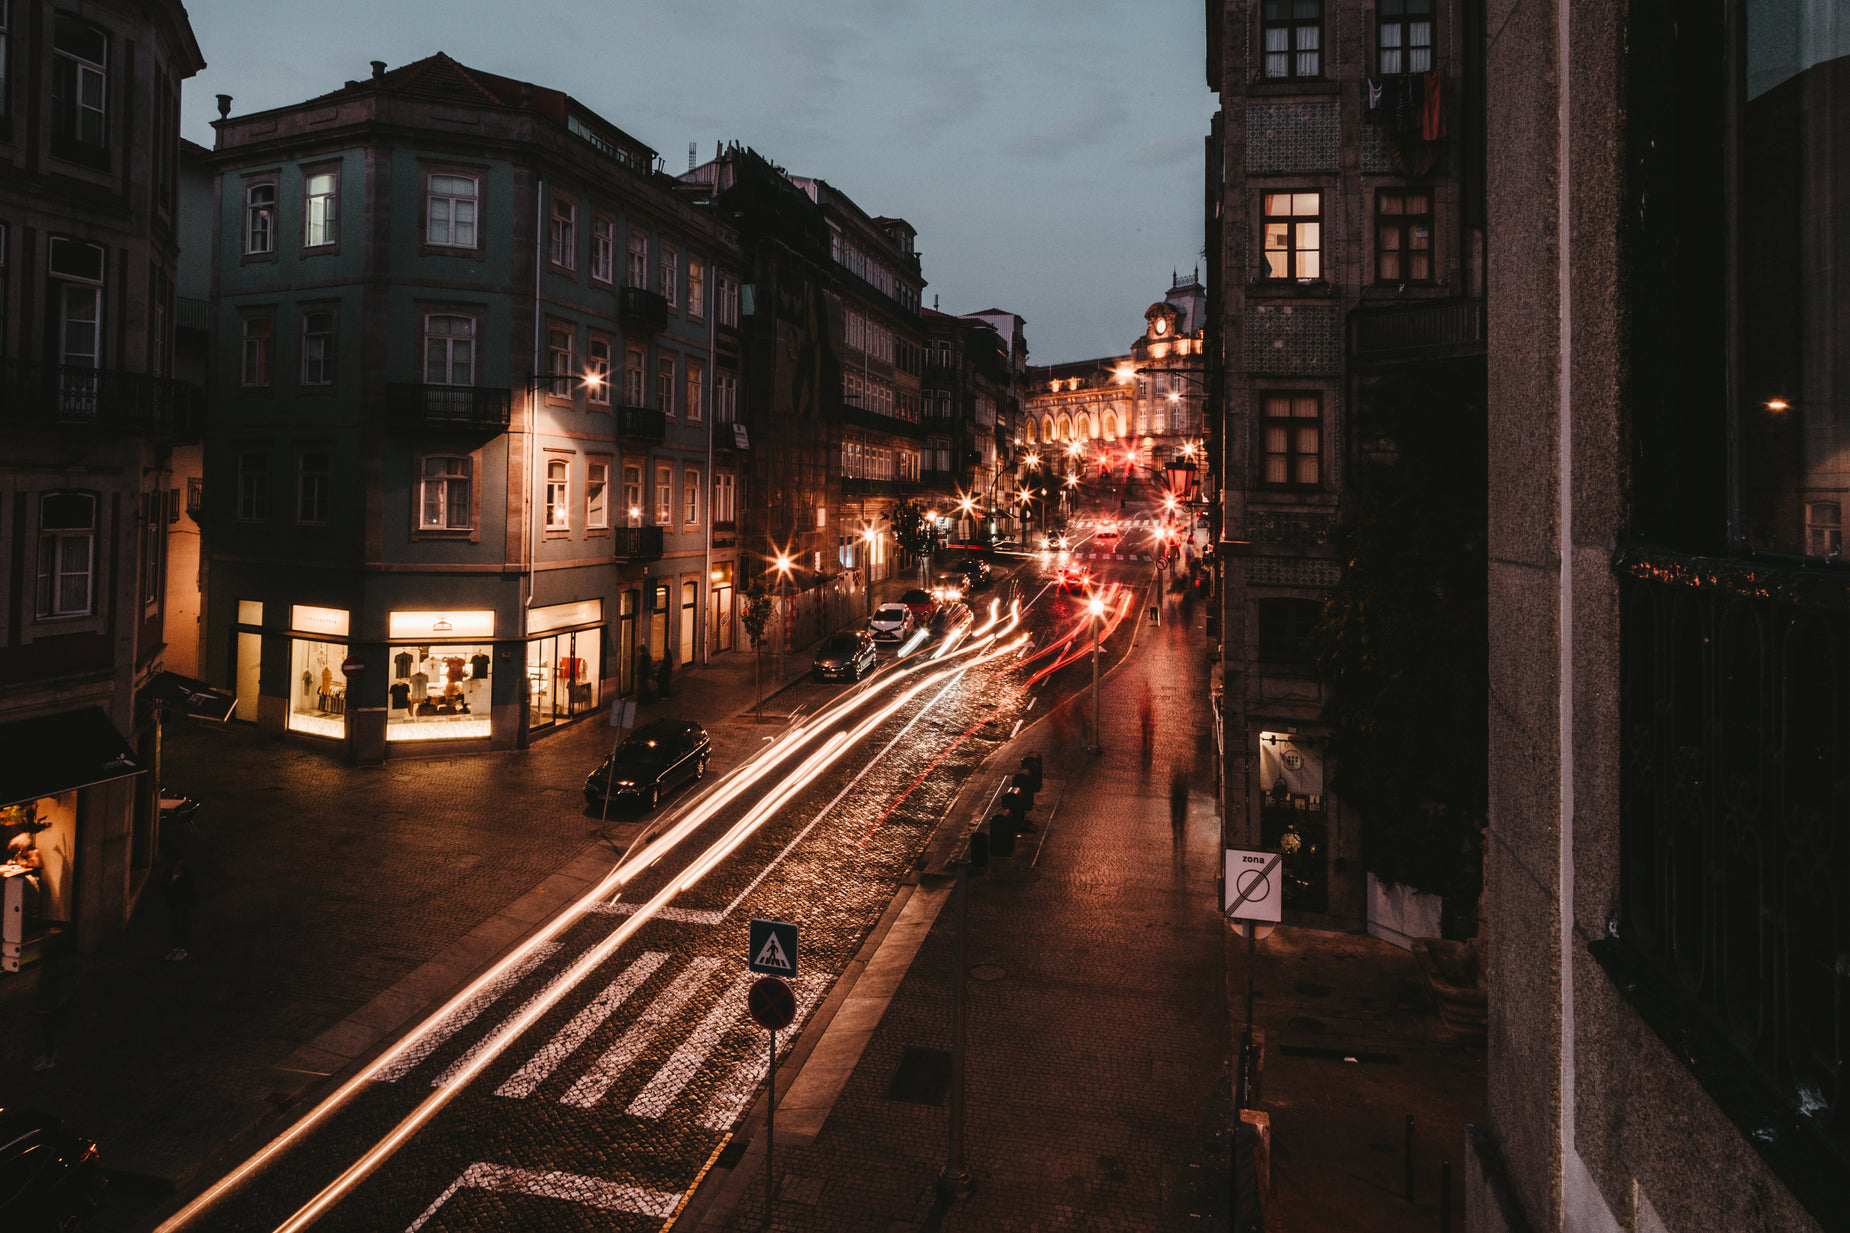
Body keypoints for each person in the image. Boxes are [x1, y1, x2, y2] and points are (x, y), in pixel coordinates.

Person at [164, 856, 196, 961]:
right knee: (173, 927)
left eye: (178, 865)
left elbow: (190, 893)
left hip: (182, 907)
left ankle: (182, 950)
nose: (175, 868)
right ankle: (175, 949)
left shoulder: (186, 878)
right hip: (173, 906)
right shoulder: (170, 877)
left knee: (182, 927)